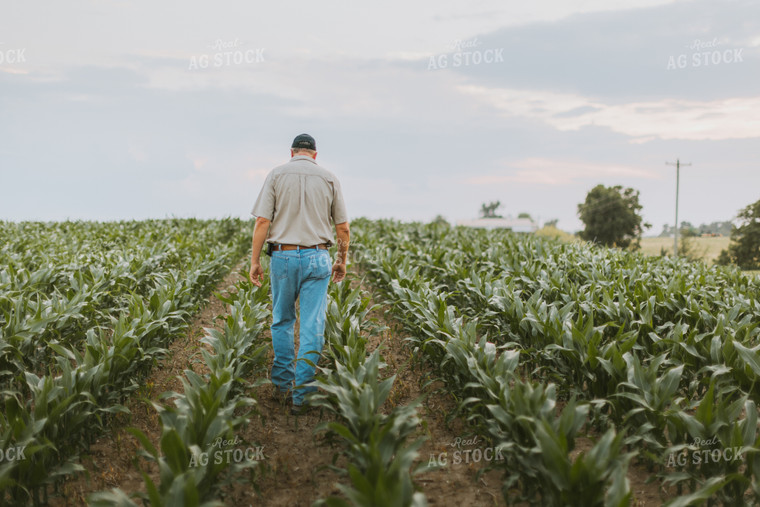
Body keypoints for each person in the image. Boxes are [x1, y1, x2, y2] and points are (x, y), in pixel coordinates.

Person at [249, 133, 350, 415]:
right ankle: (302, 395)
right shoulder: (329, 178)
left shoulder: (276, 175)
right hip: (318, 257)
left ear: (292, 152)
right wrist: (341, 260)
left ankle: (282, 385)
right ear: (315, 155)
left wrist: (255, 261)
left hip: (282, 256)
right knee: (312, 325)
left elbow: (262, 221)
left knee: (282, 320)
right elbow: (342, 228)